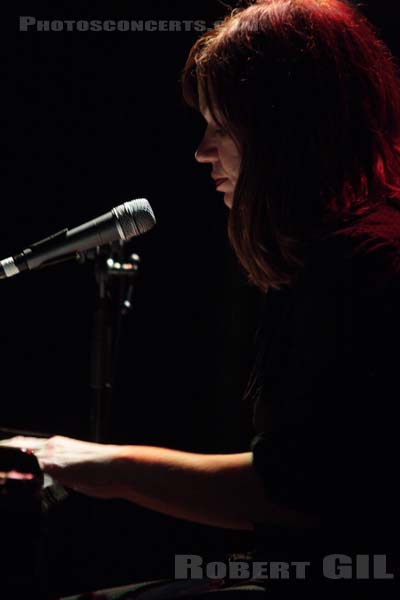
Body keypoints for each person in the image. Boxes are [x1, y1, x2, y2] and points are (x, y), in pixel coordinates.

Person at [2, 0, 400, 597]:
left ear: (282, 130)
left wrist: (97, 465)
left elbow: (292, 492)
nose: (202, 150)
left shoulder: (364, 270)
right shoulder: (334, 259)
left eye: (221, 124)